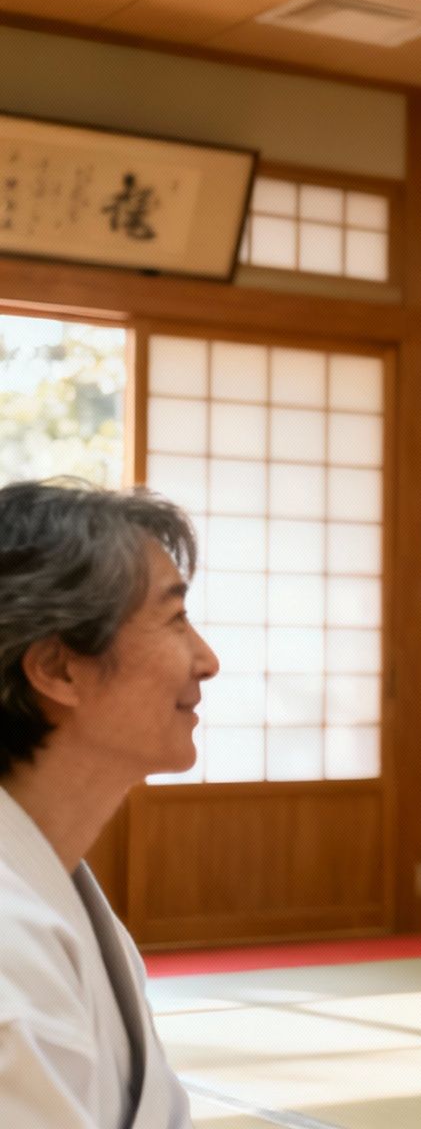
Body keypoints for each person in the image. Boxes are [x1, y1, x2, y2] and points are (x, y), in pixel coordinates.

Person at [0, 480, 216, 1128]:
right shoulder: (9, 940)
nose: (207, 660)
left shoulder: (58, 898)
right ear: (60, 669)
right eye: (175, 618)